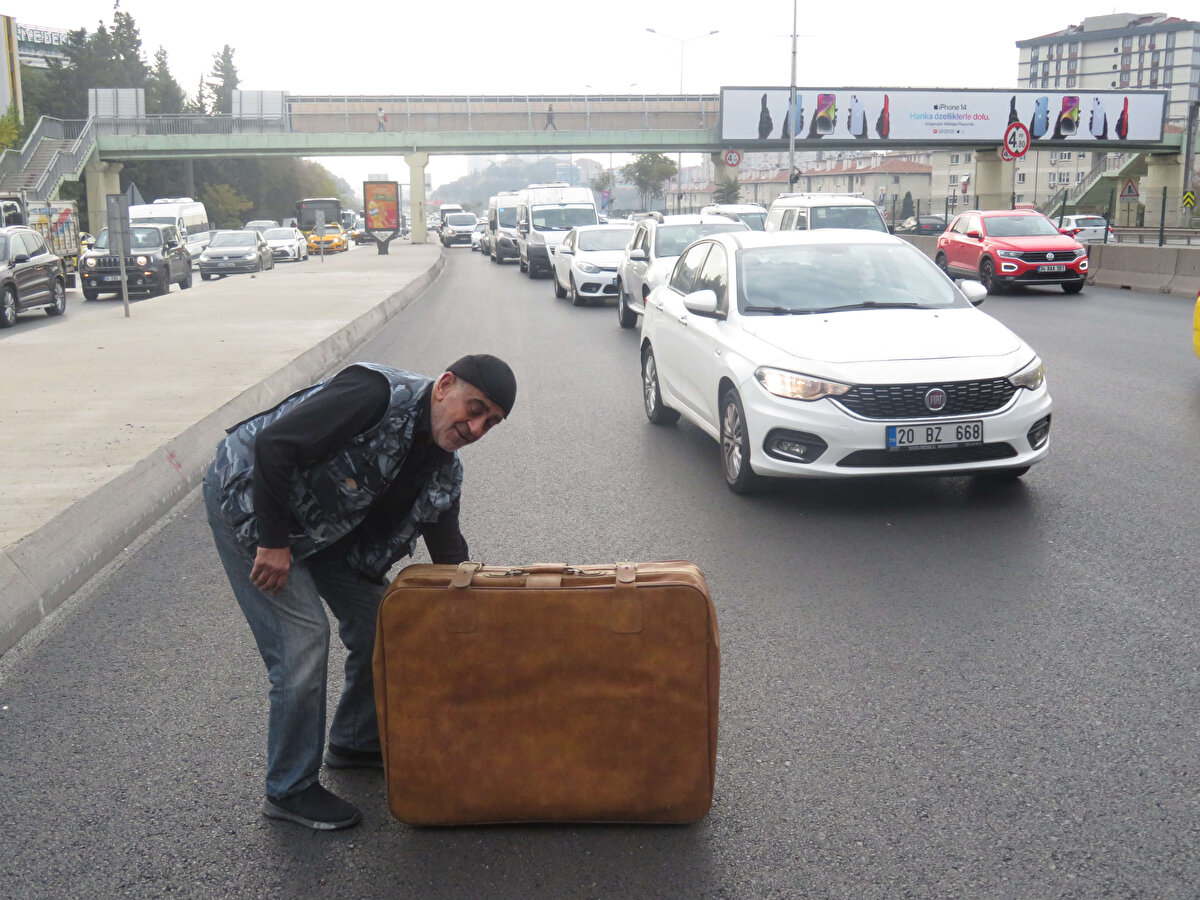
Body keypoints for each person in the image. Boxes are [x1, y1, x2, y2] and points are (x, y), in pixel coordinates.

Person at [203, 355, 517, 831]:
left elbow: (449, 554)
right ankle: (289, 788)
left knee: (384, 623)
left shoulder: (443, 471)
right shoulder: (374, 395)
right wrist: (272, 541)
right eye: (474, 410)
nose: (475, 428)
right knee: (303, 640)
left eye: (489, 423)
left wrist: (484, 618)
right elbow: (275, 444)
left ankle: (355, 740)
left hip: (325, 528)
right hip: (253, 499)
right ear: (445, 385)